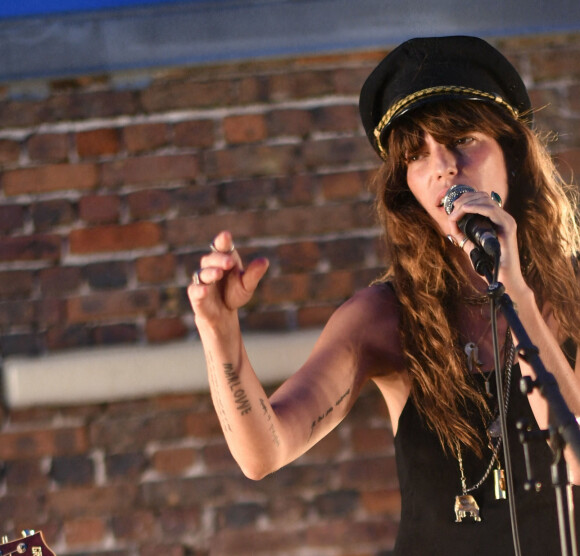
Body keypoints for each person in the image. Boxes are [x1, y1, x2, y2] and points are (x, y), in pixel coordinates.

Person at [188, 36, 580, 554]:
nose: (445, 167)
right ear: (409, 189)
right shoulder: (382, 318)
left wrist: (516, 291)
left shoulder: (571, 295)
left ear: (512, 152)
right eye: (419, 156)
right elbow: (265, 450)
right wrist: (219, 332)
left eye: (463, 139)